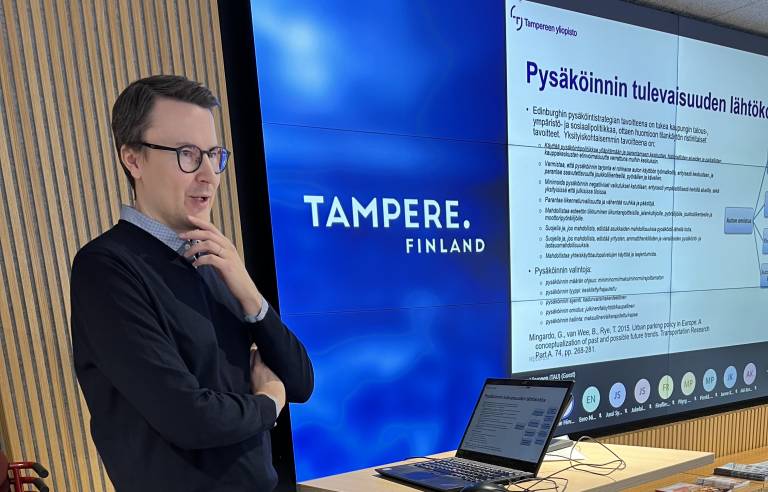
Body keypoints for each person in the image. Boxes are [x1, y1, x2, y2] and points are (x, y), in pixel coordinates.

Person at [70, 75, 313, 492]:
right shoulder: (106, 268)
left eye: (214, 155)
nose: (209, 175)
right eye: (187, 154)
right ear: (133, 159)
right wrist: (269, 402)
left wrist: (249, 294)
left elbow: (301, 382)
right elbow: (188, 417)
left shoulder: (212, 258)